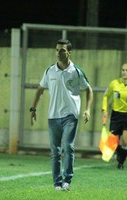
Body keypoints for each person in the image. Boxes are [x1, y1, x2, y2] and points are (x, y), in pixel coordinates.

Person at [30, 39, 93, 191]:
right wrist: (33, 109)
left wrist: (88, 109)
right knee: (55, 152)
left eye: (62, 50)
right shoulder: (50, 71)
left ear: (69, 53)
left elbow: (89, 89)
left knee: (68, 147)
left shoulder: (76, 71)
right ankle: (57, 183)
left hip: (70, 115)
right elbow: (40, 89)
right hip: (53, 117)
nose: (58, 53)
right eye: (57, 50)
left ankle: (67, 180)